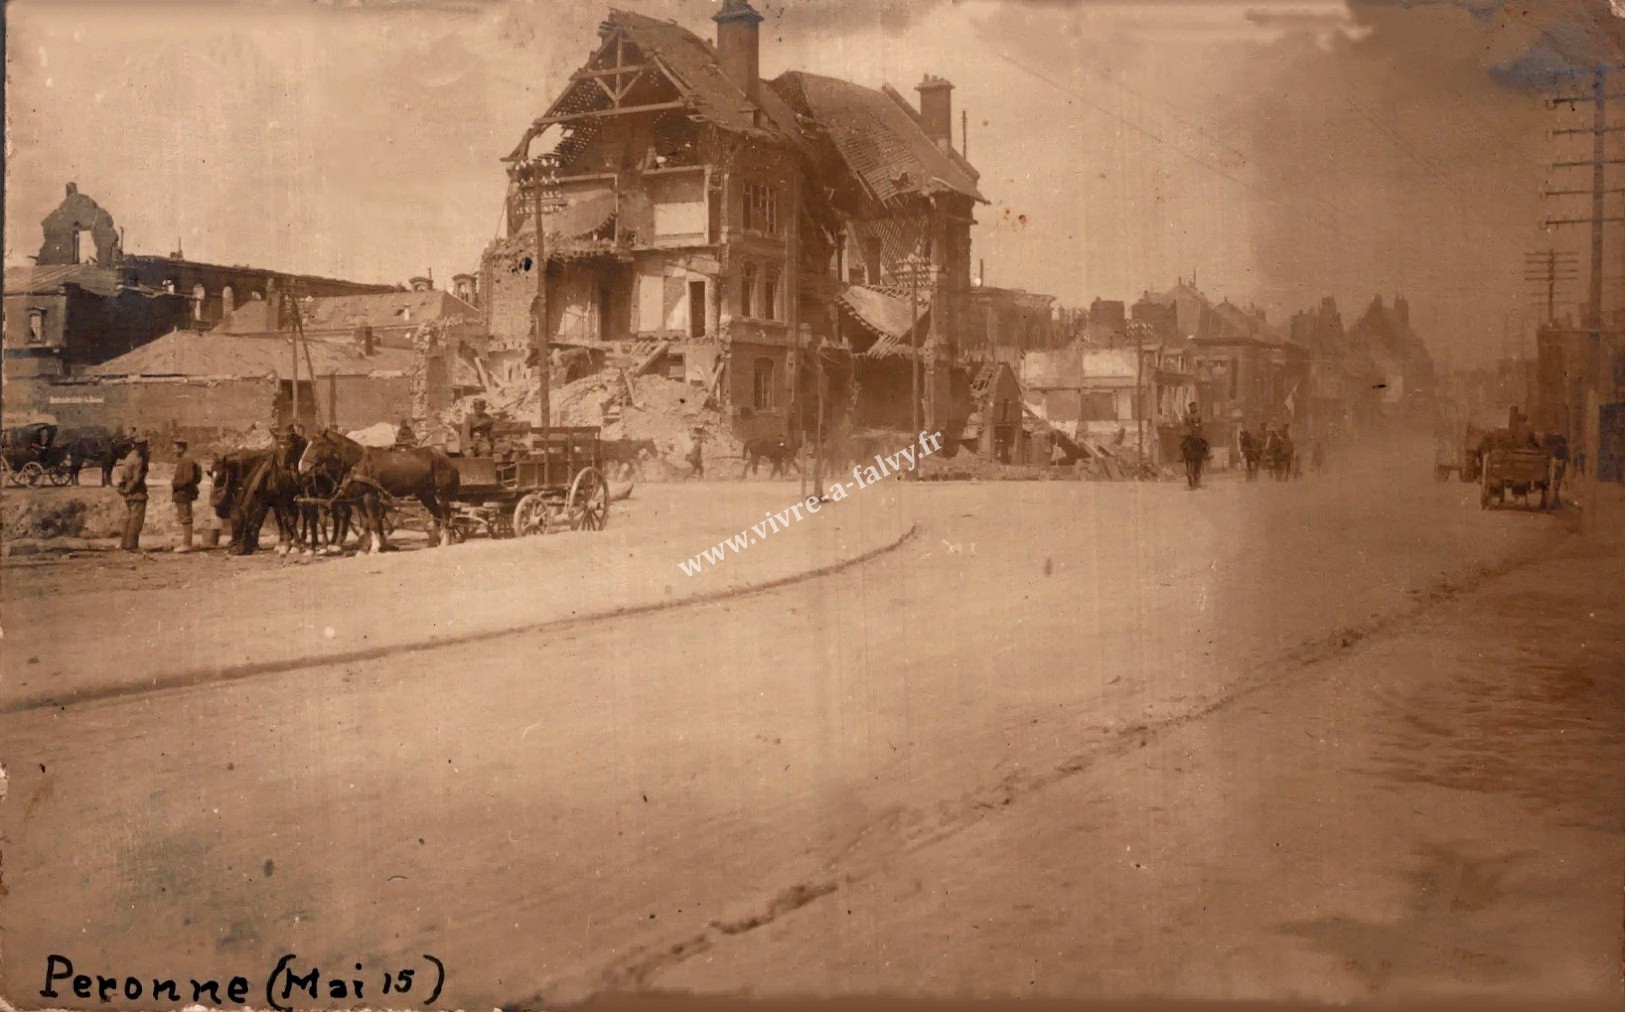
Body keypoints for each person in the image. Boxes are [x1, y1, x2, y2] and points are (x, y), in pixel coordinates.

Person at [116, 434, 151, 553]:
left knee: (129, 518)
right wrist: (129, 489)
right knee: (136, 520)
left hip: (129, 493)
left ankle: (125, 544)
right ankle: (132, 545)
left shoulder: (129, 457)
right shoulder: (139, 460)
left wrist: (125, 490)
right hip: (137, 493)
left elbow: (125, 477)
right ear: (140, 446)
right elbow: (137, 479)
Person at [170, 438, 202, 553]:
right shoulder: (185, 459)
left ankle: (187, 544)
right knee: (185, 518)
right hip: (183, 493)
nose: (173, 451)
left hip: (184, 493)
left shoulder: (187, 460)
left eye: (175, 448)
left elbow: (188, 478)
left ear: (181, 448)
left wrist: (175, 484)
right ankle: (186, 542)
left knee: (186, 518)